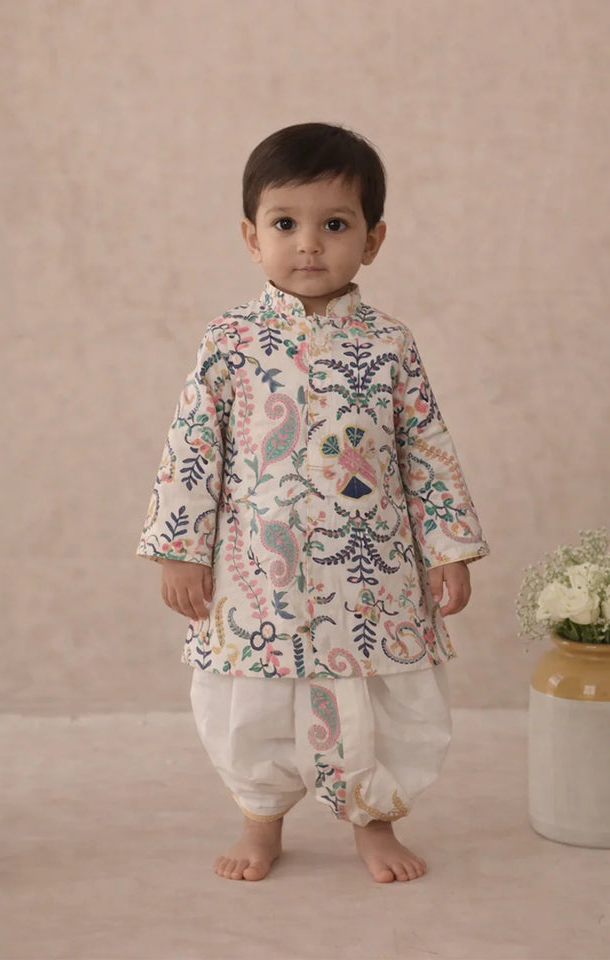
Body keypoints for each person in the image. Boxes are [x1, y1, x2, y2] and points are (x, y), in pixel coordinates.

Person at [138, 122, 489, 883]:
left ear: (373, 239)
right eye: (285, 223)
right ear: (250, 235)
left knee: (375, 703)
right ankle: (260, 820)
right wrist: (178, 548)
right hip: (258, 573)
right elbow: (194, 446)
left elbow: (423, 447)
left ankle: (374, 821)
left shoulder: (389, 344)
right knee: (255, 702)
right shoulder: (229, 341)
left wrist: (450, 548)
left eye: (335, 224)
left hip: (372, 575)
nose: (308, 244)